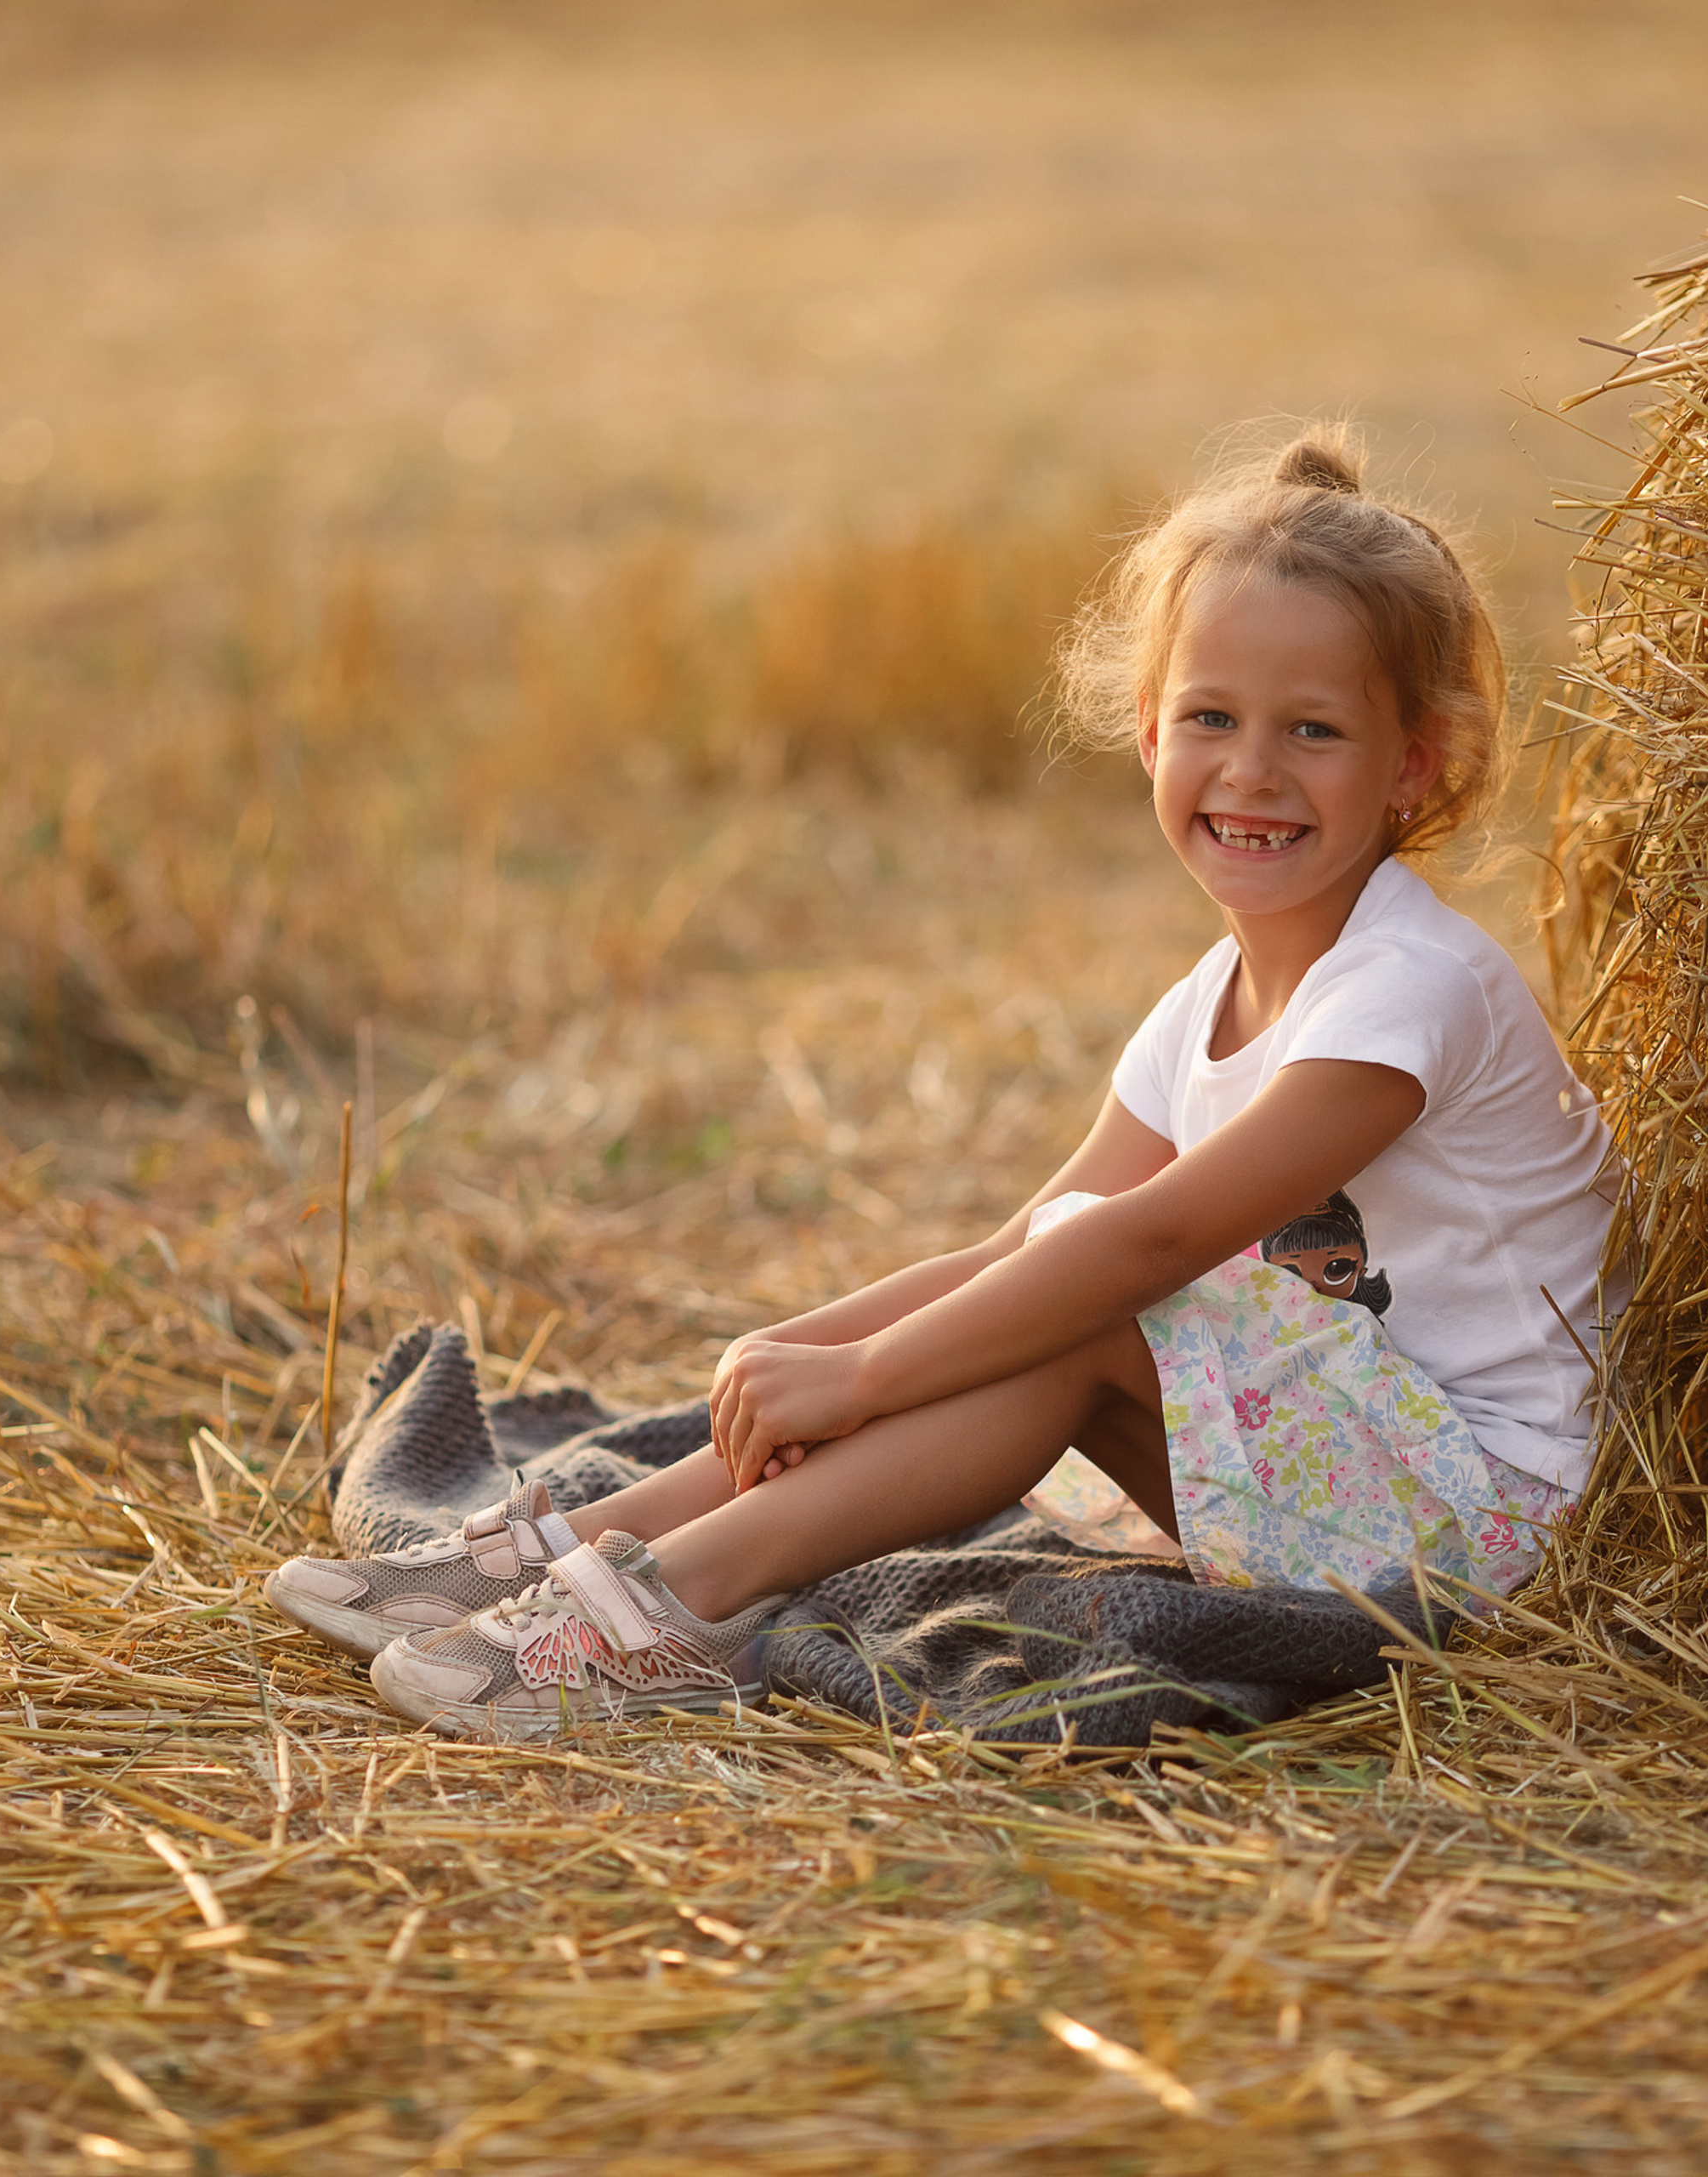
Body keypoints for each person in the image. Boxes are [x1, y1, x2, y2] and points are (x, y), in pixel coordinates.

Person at [265, 432, 1623, 1742]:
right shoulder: (1204, 1005)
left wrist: (862, 1377)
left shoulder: (1411, 990)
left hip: (1496, 1524)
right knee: (1044, 1287)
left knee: (1093, 1297)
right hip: (1347, 1476)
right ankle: (577, 1552)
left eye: (1313, 731)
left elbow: (1146, 1246)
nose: (1252, 770)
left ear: (1419, 763)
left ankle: (686, 1605)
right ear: (1149, 735)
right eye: (1212, 717)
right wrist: (801, 1347)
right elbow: (1015, 1247)